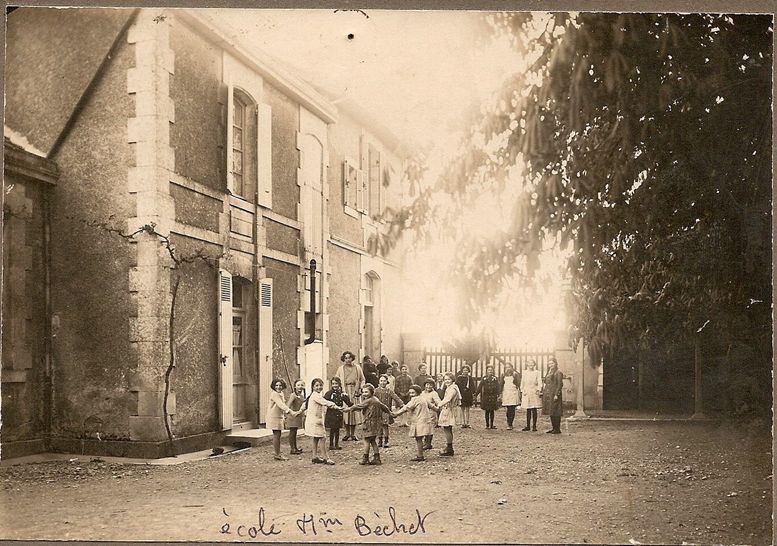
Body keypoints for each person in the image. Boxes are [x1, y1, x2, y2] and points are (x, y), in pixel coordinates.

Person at [342, 383, 393, 465]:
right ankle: (377, 458)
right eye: (363, 392)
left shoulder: (368, 401)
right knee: (372, 440)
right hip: (376, 423)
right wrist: (390, 413)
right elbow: (384, 407)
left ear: (372, 392)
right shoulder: (376, 399)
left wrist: (348, 409)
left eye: (366, 392)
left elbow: (358, 406)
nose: (364, 394)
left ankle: (365, 458)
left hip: (369, 423)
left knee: (366, 440)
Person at [392, 385, 438, 462]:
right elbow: (432, 406)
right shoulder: (424, 398)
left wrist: (396, 413)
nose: (411, 394)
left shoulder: (414, 400)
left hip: (419, 421)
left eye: (413, 393)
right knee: (423, 437)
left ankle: (420, 455)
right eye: (410, 393)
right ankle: (425, 448)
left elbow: (406, 408)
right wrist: (438, 408)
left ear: (418, 392)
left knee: (418, 438)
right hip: (426, 420)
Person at [305, 377, 344, 464]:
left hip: (316, 419)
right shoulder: (315, 395)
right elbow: (325, 402)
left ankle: (314, 457)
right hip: (315, 421)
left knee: (316, 438)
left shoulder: (316, 395)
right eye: (316, 386)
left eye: (321, 385)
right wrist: (337, 407)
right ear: (313, 387)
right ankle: (326, 458)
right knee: (323, 438)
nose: (319, 387)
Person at [266, 379, 301, 461]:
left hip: (279, 416)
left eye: (280, 385)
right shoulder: (274, 394)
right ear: (273, 386)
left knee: (278, 435)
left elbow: (283, 405)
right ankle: (277, 454)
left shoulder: (281, 393)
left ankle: (277, 453)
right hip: (273, 417)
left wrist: (285, 414)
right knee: (276, 435)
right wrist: (291, 412)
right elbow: (281, 405)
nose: (278, 387)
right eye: (276, 385)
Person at [336, 351, 364, 441]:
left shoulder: (357, 367)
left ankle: (353, 434)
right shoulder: (341, 369)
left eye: (349, 357)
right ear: (344, 359)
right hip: (345, 391)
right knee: (346, 413)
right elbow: (336, 380)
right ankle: (347, 433)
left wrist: (361, 389)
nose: (348, 360)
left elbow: (362, 379)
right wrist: (340, 391)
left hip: (355, 391)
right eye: (346, 358)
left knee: (354, 412)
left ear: (352, 358)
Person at [374, 374, 404, 447]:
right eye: (381, 381)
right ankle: (380, 440)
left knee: (385, 426)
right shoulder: (376, 391)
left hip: (386, 411)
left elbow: (396, 397)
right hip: (378, 411)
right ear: (379, 382)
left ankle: (386, 441)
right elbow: (371, 398)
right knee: (379, 426)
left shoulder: (389, 391)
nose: (383, 382)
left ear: (387, 382)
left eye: (384, 381)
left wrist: (401, 404)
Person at [436, 372, 461, 456]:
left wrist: (439, 404)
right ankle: (449, 447)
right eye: (445, 379)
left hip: (449, 410)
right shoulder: (450, 388)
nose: (447, 381)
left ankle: (449, 448)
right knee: (447, 428)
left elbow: (448, 399)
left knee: (447, 428)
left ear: (452, 380)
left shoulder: (452, 389)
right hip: (447, 408)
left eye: (449, 379)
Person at [324, 377, 352, 450]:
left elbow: (349, 403)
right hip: (331, 413)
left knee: (337, 430)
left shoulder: (342, 394)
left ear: (339, 384)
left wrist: (353, 405)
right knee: (332, 429)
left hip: (339, 414)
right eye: (333, 384)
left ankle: (336, 444)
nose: (334, 385)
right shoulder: (329, 393)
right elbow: (324, 401)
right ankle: (331, 445)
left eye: (336, 383)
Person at [542, 357, 564, 434]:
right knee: (551, 411)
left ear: (555, 364)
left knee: (556, 411)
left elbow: (559, 384)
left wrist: (556, 394)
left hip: (554, 393)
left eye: (552, 363)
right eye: (549, 363)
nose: (551, 365)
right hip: (549, 393)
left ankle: (557, 429)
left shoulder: (558, 372)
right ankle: (553, 427)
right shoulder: (549, 372)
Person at [521, 359, 543, 431]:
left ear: (534, 364)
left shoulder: (537, 372)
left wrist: (538, 389)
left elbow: (540, 382)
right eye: (529, 363)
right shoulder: (525, 372)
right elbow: (522, 382)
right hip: (527, 391)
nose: (531, 365)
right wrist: (522, 390)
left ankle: (534, 426)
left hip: (534, 391)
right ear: (527, 364)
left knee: (534, 409)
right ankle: (528, 426)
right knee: (528, 409)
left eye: (532, 363)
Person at [476, 365, 500, 429]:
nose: (490, 371)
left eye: (491, 370)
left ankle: (492, 424)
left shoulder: (495, 379)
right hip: (486, 396)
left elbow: (498, 387)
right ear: (486, 371)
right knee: (487, 411)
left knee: (492, 411)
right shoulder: (484, 379)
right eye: (489, 370)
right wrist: (476, 394)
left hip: (493, 397)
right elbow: (480, 387)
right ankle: (487, 425)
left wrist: (498, 394)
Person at [286, 379, 307, 454]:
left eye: (302, 385)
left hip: (298, 416)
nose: (300, 387)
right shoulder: (293, 395)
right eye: (298, 385)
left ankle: (295, 448)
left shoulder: (301, 396)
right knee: (292, 432)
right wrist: (291, 413)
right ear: (295, 386)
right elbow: (288, 405)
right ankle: (292, 449)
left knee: (295, 432)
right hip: (292, 416)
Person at [499, 364, 522, 430]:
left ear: (512, 367)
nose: (508, 368)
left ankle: (510, 423)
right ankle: (508, 422)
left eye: (509, 367)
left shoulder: (515, 374)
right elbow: (501, 384)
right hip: (506, 392)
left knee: (512, 408)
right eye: (506, 367)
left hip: (513, 392)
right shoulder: (503, 375)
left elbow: (519, 383)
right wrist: (500, 393)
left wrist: (520, 392)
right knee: (508, 408)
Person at [421, 378, 441, 449]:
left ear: (433, 386)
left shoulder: (434, 393)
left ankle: (428, 443)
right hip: (423, 412)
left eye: (430, 385)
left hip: (431, 413)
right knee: (424, 427)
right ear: (425, 385)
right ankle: (425, 441)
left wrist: (436, 407)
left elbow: (438, 402)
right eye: (427, 385)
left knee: (429, 428)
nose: (429, 386)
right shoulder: (422, 393)